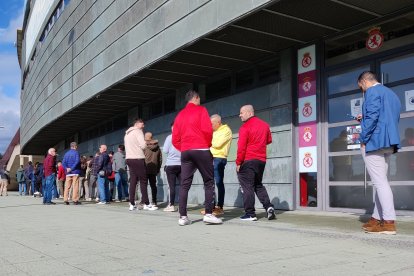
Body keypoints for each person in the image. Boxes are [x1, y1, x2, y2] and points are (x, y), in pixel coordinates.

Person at [357, 71, 401, 235]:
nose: (362, 90)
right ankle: (376, 219)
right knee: (382, 181)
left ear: (364, 82)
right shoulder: (392, 94)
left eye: (361, 87)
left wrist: (363, 138)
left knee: (380, 183)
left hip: (374, 142)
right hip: (389, 141)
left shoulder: (372, 91)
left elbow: (374, 116)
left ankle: (389, 222)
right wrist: (365, 117)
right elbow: (387, 117)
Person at [172, 90, 222, 226]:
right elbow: (207, 130)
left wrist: (183, 148)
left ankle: (182, 217)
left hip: (186, 151)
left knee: (184, 184)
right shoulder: (201, 110)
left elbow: (175, 138)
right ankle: (208, 214)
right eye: (199, 98)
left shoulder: (180, 115)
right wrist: (207, 144)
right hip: (200, 148)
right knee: (209, 181)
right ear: (196, 98)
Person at [236, 105, 275, 221]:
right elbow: (269, 140)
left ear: (249, 113)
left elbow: (241, 147)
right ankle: (269, 207)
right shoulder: (265, 125)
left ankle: (250, 214)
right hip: (261, 160)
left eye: (242, 113)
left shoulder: (245, 127)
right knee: (258, 185)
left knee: (247, 186)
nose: (240, 115)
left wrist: (238, 162)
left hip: (248, 160)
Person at [124, 119, 156, 211]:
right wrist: (145, 143)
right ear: (137, 124)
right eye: (142, 125)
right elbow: (143, 146)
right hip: (138, 158)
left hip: (129, 158)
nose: (143, 127)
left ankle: (132, 203)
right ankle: (146, 203)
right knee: (143, 180)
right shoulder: (138, 131)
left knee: (133, 181)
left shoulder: (127, 133)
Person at [207, 114, 232, 216]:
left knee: (218, 182)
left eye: (211, 123)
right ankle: (211, 207)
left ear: (218, 122)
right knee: (210, 183)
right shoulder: (214, 132)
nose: (210, 125)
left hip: (219, 158)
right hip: (210, 157)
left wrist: (209, 141)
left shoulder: (226, 130)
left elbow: (217, 144)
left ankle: (220, 207)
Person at [162, 122, 181, 212]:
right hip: (181, 164)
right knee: (183, 186)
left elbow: (165, 150)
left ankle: (171, 205)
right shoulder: (183, 137)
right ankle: (182, 205)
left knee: (171, 186)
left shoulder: (169, 137)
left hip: (171, 164)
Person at [144, 132, 162, 208]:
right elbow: (160, 159)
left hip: (145, 168)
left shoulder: (144, 146)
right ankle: (154, 201)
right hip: (154, 169)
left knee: (143, 185)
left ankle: (145, 202)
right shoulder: (157, 147)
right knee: (153, 186)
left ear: (146, 137)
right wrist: (157, 169)